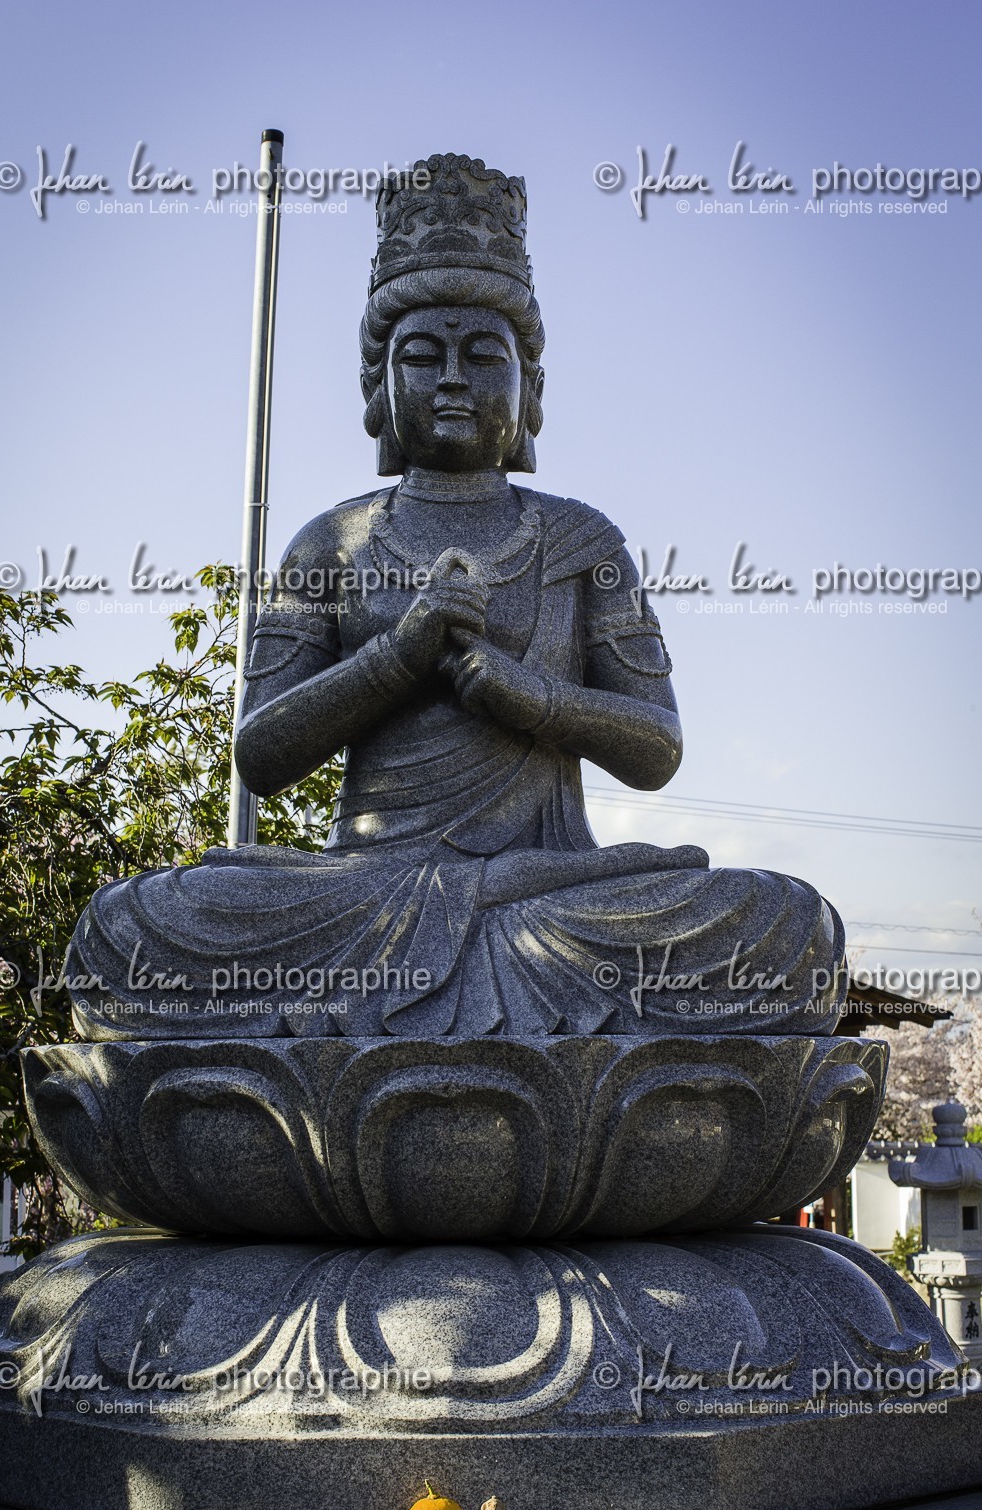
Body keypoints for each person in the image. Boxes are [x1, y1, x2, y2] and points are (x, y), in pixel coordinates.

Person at [67, 155, 845, 1040]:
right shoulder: (330, 542)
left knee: (780, 923)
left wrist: (533, 699)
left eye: (482, 357)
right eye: (420, 356)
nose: (449, 380)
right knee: (136, 928)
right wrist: (397, 657)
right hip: (361, 894)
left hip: (549, 892)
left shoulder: (581, 540)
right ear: (376, 393)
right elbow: (263, 753)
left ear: (531, 392)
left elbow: (655, 749)